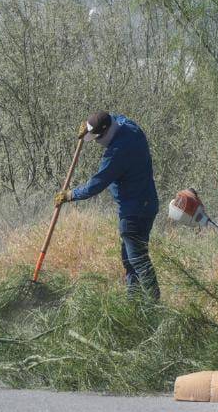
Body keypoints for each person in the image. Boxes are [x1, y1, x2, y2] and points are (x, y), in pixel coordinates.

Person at [55, 111, 160, 300]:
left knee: (138, 261)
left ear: (105, 133)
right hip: (147, 204)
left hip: (134, 212)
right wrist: (87, 125)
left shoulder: (117, 153)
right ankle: (134, 303)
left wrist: (70, 195)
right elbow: (113, 116)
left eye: (96, 138)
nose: (96, 142)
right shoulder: (128, 126)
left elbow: (95, 185)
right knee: (130, 260)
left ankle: (154, 305)